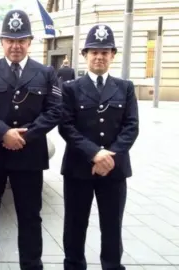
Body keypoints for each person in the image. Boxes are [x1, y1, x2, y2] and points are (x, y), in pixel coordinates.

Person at [0, 9, 62, 270]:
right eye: (10, 40)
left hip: (29, 156)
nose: (16, 45)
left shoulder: (46, 73)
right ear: (2, 42)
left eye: (21, 40)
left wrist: (25, 136)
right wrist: (3, 133)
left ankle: (31, 265)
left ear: (30, 42)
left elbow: (55, 110)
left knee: (30, 217)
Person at [58, 24, 139, 270]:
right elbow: (66, 126)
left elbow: (131, 126)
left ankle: (112, 266)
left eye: (105, 51)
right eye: (94, 51)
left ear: (113, 55)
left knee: (112, 225)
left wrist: (109, 156)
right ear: (84, 55)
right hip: (78, 169)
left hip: (114, 170)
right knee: (74, 225)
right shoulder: (70, 88)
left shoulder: (125, 88)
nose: (99, 56)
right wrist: (95, 153)